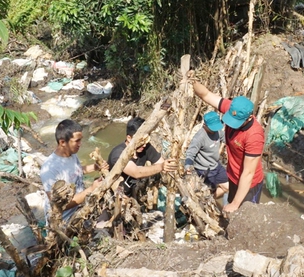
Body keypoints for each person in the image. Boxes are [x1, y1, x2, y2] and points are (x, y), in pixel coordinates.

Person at [188, 72, 265, 213]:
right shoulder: (233, 108)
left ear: (249, 118)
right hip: (233, 176)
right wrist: (192, 81)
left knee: (245, 217)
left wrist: (235, 204)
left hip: (249, 184)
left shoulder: (254, 135)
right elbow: (205, 95)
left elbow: (248, 173)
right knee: (230, 210)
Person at [40, 119, 108, 222]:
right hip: (64, 220)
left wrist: (95, 167)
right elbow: (58, 205)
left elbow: (76, 171)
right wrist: (90, 189)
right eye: (77, 141)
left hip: (79, 207)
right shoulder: (50, 168)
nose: (80, 144)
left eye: (80, 140)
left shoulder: (71, 154)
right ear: (62, 142)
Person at [108, 116, 174, 196]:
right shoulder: (118, 154)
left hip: (133, 194)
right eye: (141, 140)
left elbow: (162, 163)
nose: (145, 144)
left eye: (146, 139)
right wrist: (161, 167)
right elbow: (136, 172)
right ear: (129, 138)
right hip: (114, 197)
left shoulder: (145, 146)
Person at [184, 111, 229, 200]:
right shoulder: (199, 137)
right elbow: (190, 153)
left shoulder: (217, 131)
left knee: (227, 187)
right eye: (213, 128)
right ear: (205, 125)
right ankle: (206, 201)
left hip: (216, 165)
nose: (215, 130)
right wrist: (188, 165)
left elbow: (226, 140)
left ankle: (210, 199)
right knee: (206, 191)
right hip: (204, 169)